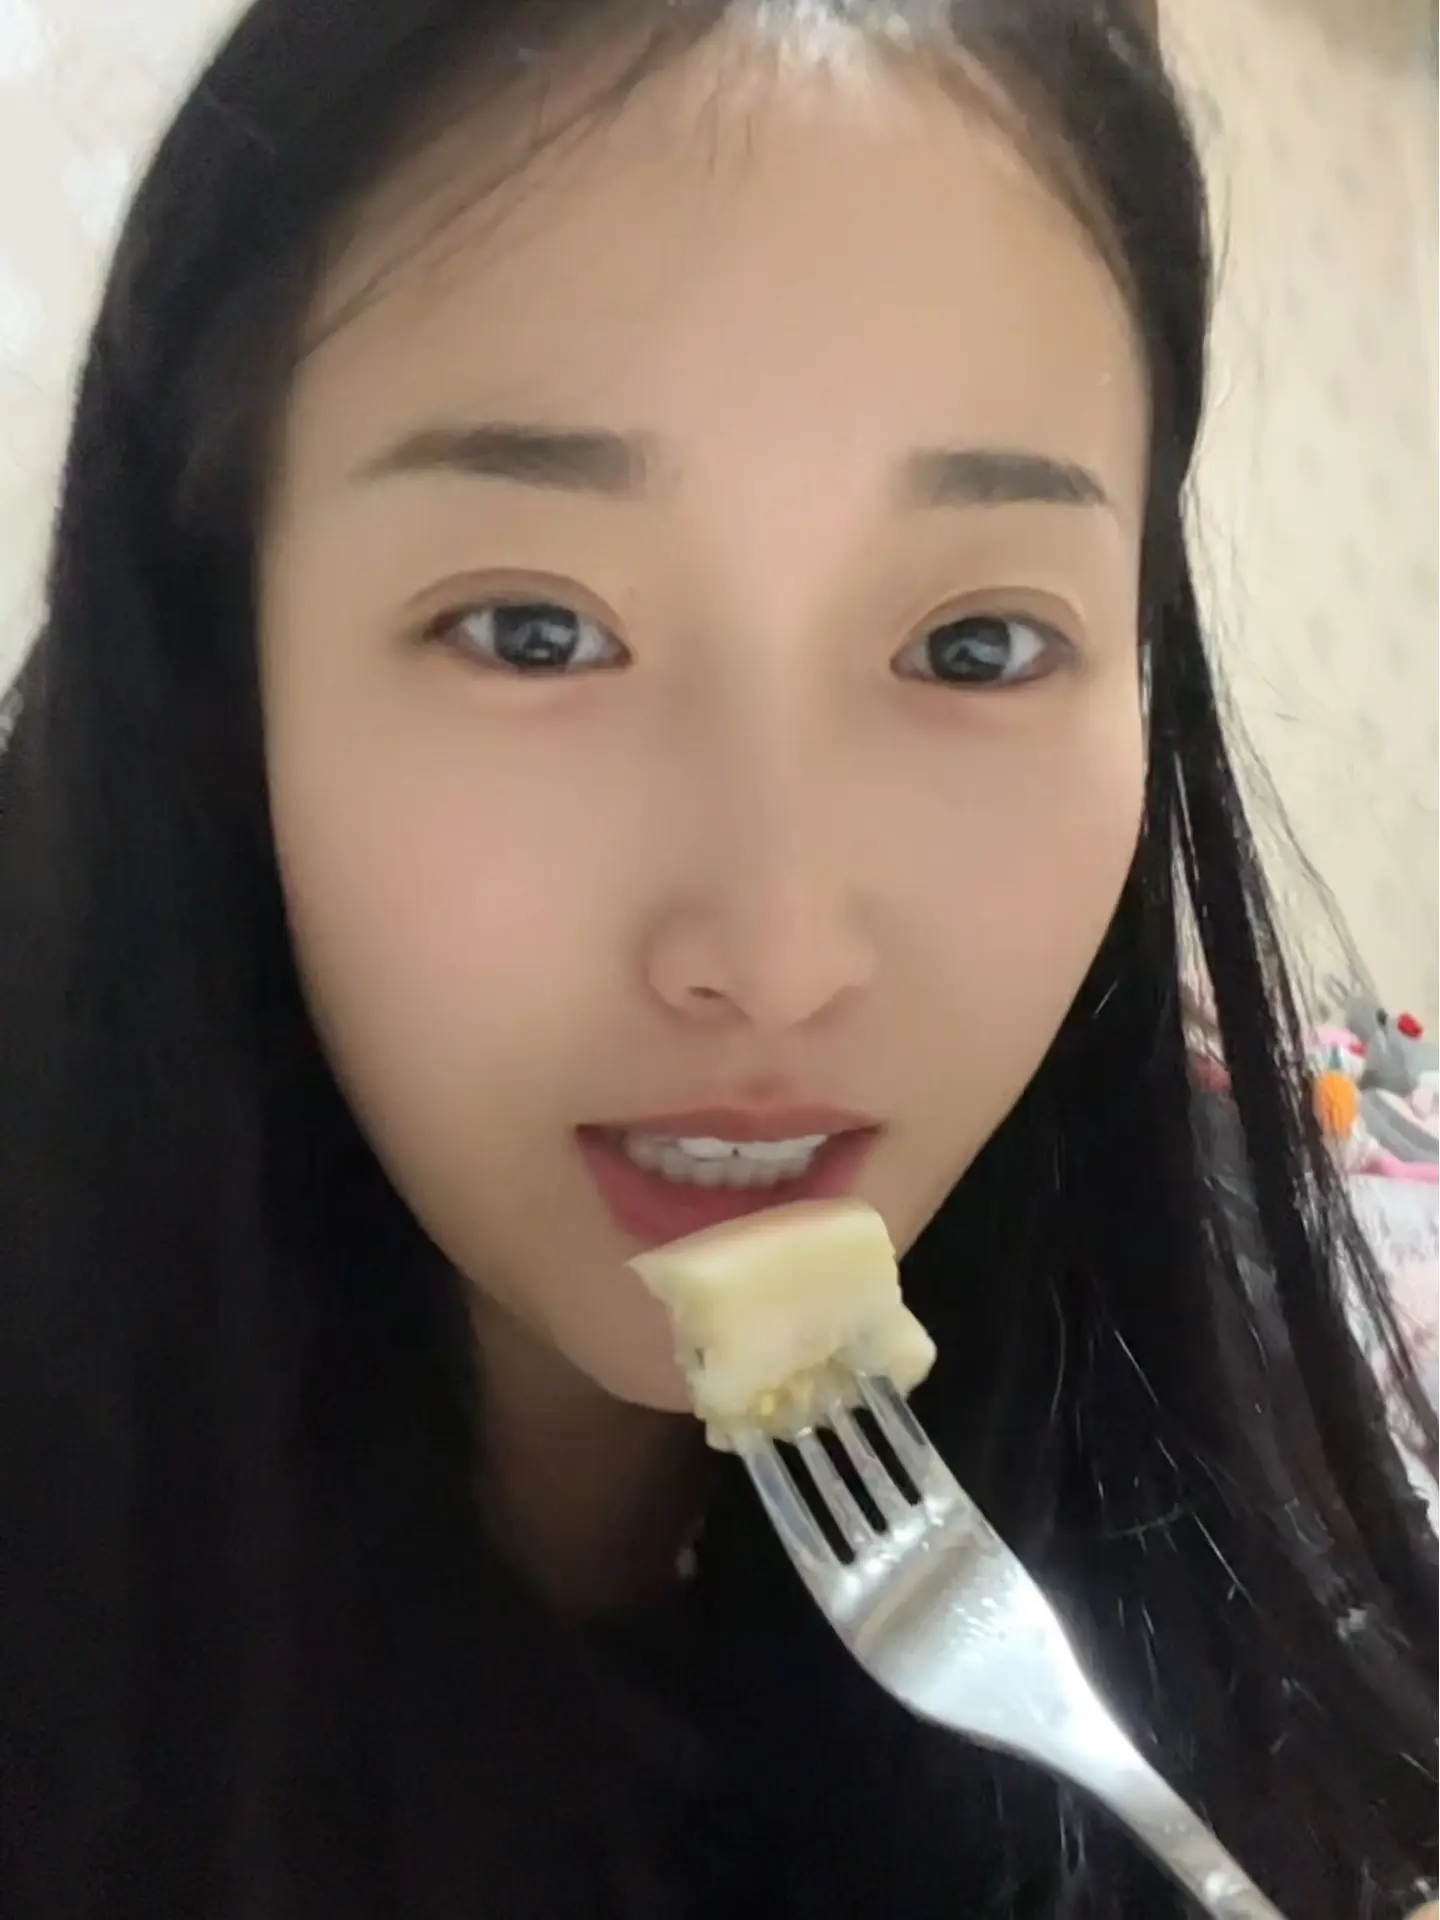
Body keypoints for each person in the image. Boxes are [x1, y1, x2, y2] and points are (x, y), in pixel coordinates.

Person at [0, 1, 1434, 1914]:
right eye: (530, 631)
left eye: (978, 647)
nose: (776, 955)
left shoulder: (1248, 1463)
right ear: (216, 659)